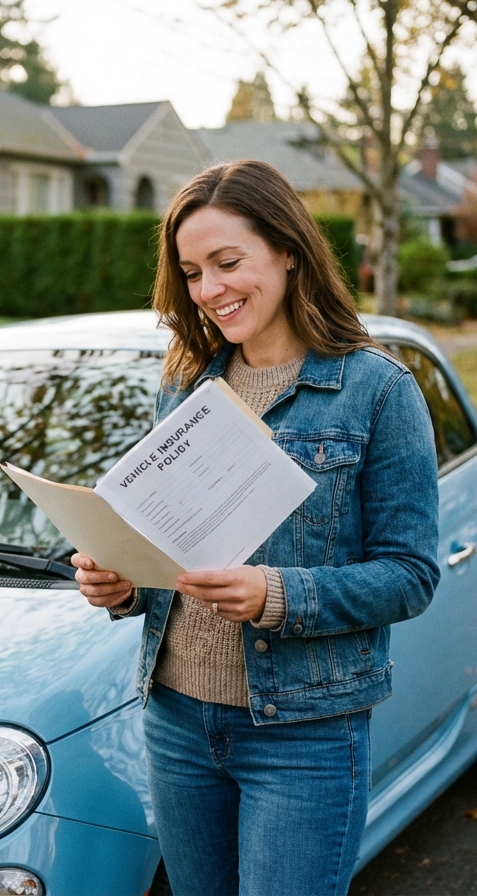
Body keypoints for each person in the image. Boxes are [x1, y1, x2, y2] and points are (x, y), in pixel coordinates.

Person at [71, 160, 441, 896]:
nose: (210, 290)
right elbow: (167, 550)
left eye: (228, 262)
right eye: (192, 272)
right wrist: (118, 583)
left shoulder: (378, 391)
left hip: (302, 736)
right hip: (176, 721)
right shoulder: (186, 382)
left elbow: (411, 574)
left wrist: (278, 594)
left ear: (289, 250)